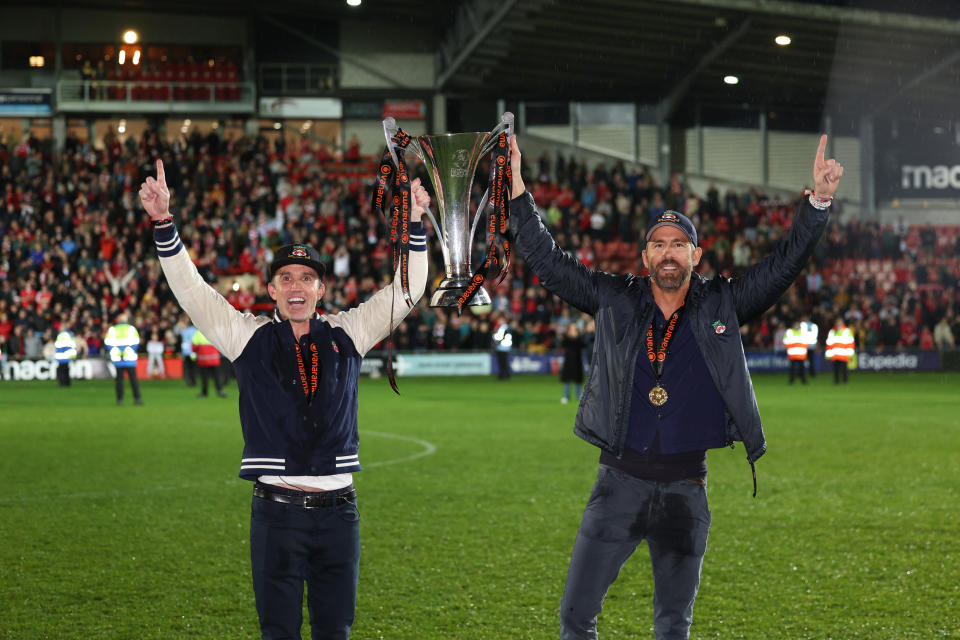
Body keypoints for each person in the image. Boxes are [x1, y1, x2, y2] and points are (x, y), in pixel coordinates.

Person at [507, 134, 842, 640]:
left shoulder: (721, 304)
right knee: (575, 616)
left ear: (696, 254)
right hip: (617, 484)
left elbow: (782, 269)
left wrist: (817, 203)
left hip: (686, 489)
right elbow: (549, 263)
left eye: (678, 245)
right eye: (659, 245)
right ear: (644, 257)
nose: (669, 253)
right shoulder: (614, 298)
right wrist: (516, 188)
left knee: (672, 624)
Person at [139, 159, 429, 640]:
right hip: (275, 514)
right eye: (287, 277)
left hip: (341, 515)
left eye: (307, 277)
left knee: (335, 632)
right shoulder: (245, 336)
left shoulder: (348, 331)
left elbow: (409, 289)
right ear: (271, 289)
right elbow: (192, 292)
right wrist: (164, 223)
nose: (297, 286)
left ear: (322, 287)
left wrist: (416, 221)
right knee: (278, 632)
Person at [105, 313, 143, 406]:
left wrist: (119, 353)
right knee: (133, 380)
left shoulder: (112, 330)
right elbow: (136, 343)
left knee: (119, 380)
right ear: (126, 320)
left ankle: (119, 400)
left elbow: (108, 344)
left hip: (118, 359)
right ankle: (137, 399)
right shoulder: (131, 329)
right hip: (130, 359)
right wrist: (126, 353)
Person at [191, 329, 226, 398]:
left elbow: (194, 346)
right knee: (216, 376)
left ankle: (204, 393)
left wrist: (195, 352)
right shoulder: (214, 331)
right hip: (214, 358)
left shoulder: (198, 332)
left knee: (204, 377)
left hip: (203, 359)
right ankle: (219, 391)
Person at [560, 323, 585, 403]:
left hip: (577, 361)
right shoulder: (566, 338)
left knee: (578, 379)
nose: (573, 330)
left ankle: (579, 395)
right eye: (572, 328)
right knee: (567, 379)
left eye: (575, 328)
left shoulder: (580, 338)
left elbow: (583, 345)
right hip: (568, 361)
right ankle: (566, 396)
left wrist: (576, 337)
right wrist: (571, 337)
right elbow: (564, 344)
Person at [825, 317, 855, 384]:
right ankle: (836, 380)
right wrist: (828, 354)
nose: (838, 324)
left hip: (843, 354)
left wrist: (850, 354)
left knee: (844, 369)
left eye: (839, 322)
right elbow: (829, 343)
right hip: (835, 354)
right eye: (837, 322)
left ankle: (845, 380)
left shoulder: (847, 331)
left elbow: (850, 343)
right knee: (835, 369)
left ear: (842, 323)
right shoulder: (832, 332)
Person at [783, 320, 808, 385]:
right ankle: (792, 380)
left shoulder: (803, 332)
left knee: (802, 368)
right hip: (793, 354)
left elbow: (807, 342)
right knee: (792, 369)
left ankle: (803, 380)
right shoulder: (789, 332)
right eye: (795, 325)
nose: (796, 326)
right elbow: (785, 341)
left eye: (797, 325)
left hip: (801, 354)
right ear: (793, 325)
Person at [492, 315, 513, 379]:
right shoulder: (503, 328)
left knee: (503, 362)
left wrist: (496, 340)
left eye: (500, 320)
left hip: (503, 347)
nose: (499, 321)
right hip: (503, 347)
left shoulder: (504, 328)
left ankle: (504, 375)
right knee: (503, 362)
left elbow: (500, 337)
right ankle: (504, 375)